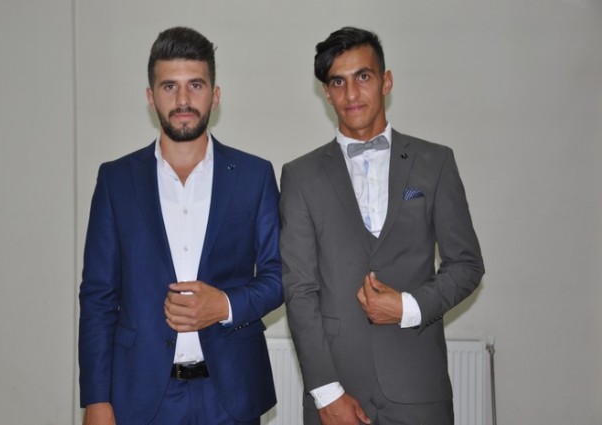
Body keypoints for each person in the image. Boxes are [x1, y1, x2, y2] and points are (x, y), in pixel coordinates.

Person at [280, 27, 485, 425]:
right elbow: (299, 290)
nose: (351, 93)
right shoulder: (300, 176)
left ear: (386, 81)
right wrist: (327, 392)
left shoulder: (435, 162)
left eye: (363, 76)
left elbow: (467, 264)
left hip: (419, 387)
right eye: (338, 82)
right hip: (336, 391)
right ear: (326, 93)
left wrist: (408, 306)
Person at [78, 26, 283, 425]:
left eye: (196, 85)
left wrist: (223, 305)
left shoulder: (254, 176)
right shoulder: (116, 181)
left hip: (231, 396)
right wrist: (96, 399)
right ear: (151, 96)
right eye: (170, 86)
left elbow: (279, 277)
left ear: (215, 95)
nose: (183, 100)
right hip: (141, 397)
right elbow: (98, 297)